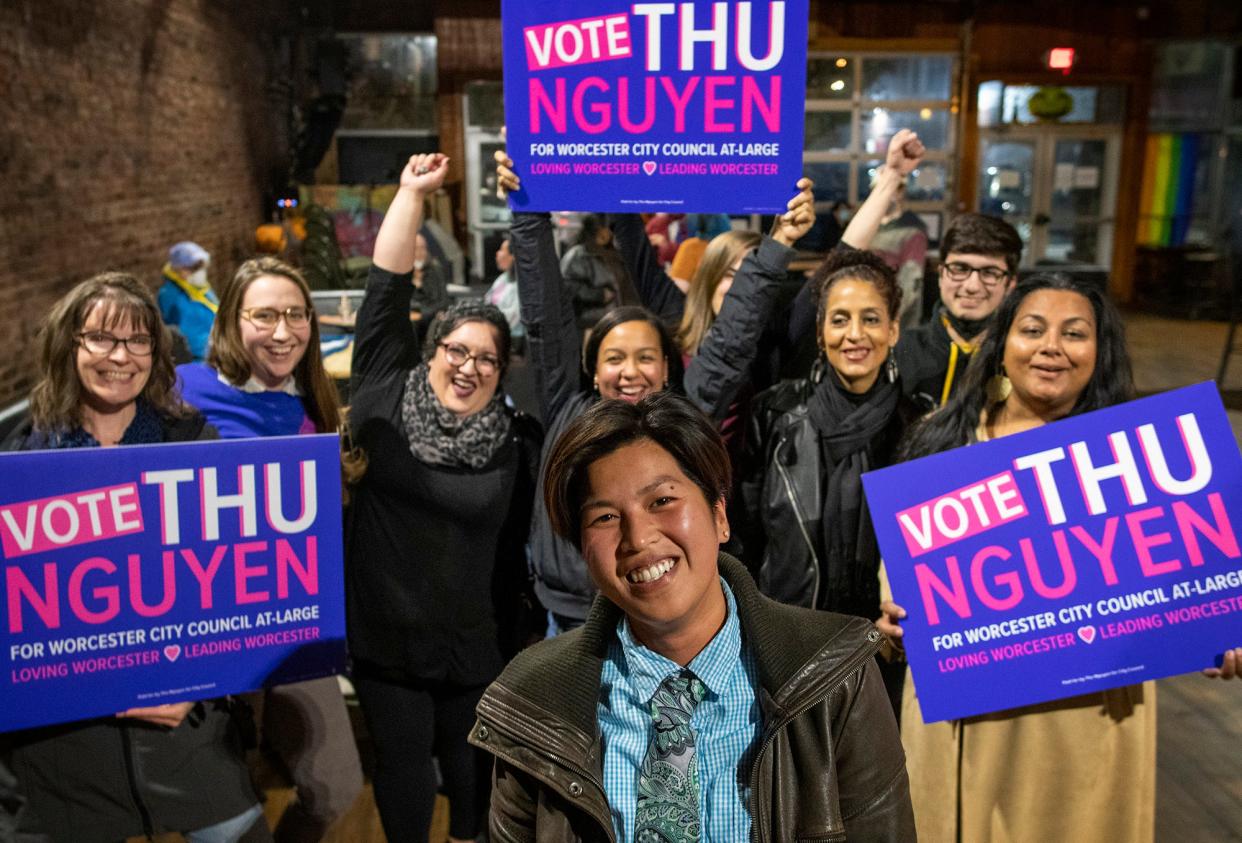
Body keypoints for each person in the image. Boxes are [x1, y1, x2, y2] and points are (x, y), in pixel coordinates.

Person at [876, 273, 1242, 842]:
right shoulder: (939, 443)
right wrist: (893, 621)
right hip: (971, 718)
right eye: (1032, 330)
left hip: (1087, 721)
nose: (1051, 347)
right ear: (1002, 344)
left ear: (1100, 352)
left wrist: (1218, 627)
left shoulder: (1141, 460)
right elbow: (898, 582)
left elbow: (1196, 570)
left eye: (1074, 333)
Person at [469, 392, 916, 841]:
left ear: (720, 515)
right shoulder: (533, 699)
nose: (638, 538)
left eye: (662, 501)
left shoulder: (836, 675)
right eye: (605, 516)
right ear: (583, 551)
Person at [496, 152, 814, 632]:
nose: (630, 372)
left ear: (667, 368)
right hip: (569, 619)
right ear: (592, 368)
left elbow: (731, 340)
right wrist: (526, 209)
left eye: (645, 357)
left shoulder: (681, 415)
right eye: (614, 358)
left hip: (661, 617)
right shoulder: (568, 406)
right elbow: (545, 314)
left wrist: (780, 242)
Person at [1, 272, 267, 843]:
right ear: (69, 345)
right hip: (63, 756)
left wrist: (200, 681)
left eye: (137, 340)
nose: (120, 356)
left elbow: (233, 592)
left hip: (187, 737)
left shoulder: (195, 448)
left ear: (156, 351)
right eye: (101, 338)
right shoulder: (19, 467)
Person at [347, 153, 543, 843]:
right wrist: (410, 194)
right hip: (386, 644)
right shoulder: (383, 393)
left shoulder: (516, 439)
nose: (469, 366)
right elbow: (386, 288)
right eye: (456, 350)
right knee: (403, 782)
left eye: (487, 357)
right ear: (430, 351)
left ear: (503, 369)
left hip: (475, 649)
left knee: (473, 786)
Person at [176, 257, 365, 843]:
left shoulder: (314, 404)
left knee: (336, 785)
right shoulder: (185, 390)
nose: (282, 331)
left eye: (294, 314)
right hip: (201, 624)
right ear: (232, 319)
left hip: (286, 623)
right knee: (224, 796)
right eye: (263, 315)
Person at [740, 249, 919, 616]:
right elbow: (744, 539)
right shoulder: (774, 412)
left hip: (885, 640)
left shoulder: (919, 426)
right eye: (839, 320)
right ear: (821, 332)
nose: (855, 335)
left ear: (893, 329)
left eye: (871, 319)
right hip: (791, 635)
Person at [895, 212, 1023, 411]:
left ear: (1010, 284)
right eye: (960, 269)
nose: (972, 286)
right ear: (941, 275)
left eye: (990, 273)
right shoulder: (900, 351)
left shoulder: (1024, 358)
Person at [868, 179, 929, 329]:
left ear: (900, 192)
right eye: (877, 190)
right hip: (868, 309)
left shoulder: (912, 231)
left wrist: (887, 317)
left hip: (895, 320)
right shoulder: (870, 226)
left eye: (886, 188)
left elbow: (910, 281)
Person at [558, 214, 634, 331]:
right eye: (599, 229)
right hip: (589, 323)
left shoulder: (615, 254)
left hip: (614, 321)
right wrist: (599, 294)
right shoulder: (578, 255)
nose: (605, 233)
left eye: (608, 228)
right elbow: (567, 287)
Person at [158, 240, 219, 362]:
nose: (199, 272)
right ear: (179, 268)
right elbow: (177, 333)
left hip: (217, 352)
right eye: (194, 268)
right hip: (195, 359)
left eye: (201, 267)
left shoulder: (201, 288)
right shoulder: (169, 295)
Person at [484, 235, 523, 347]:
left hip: (509, 337)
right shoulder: (503, 278)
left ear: (513, 256)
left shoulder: (521, 285)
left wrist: (488, 319)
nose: (497, 253)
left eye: (501, 250)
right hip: (492, 327)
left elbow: (514, 316)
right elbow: (487, 300)